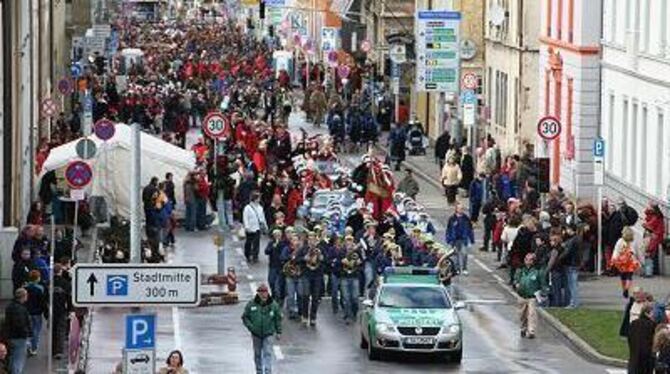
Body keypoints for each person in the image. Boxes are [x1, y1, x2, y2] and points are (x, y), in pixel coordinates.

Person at [242, 284, 282, 374]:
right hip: (256, 334)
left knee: (267, 352)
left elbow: (277, 318)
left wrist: (278, 331)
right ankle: (259, 371)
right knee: (257, 354)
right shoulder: (251, 304)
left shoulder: (273, 305)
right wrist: (251, 327)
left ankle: (268, 371)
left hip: (268, 333)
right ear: (258, 293)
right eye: (262, 292)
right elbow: (245, 317)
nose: (264, 294)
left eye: (265, 292)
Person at [514, 253, 546, 339]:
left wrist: (543, 293)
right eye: (526, 259)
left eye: (530, 260)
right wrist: (516, 284)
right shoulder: (521, 270)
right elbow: (516, 278)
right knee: (522, 314)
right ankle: (523, 328)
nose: (528, 261)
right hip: (522, 295)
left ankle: (531, 330)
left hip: (532, 296)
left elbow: (543, 283)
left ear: (533, 261)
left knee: (531, 313)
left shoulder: (537, 271)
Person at [5, 288, 31, 374]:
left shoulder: (10, 306)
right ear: (23, 296)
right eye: (26, 295)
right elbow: (20, 324)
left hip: (11, 336)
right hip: (19, 337)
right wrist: (26, 334)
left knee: (13, 358)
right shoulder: (20, 309)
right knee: (18, 360)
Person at [612, 227, 642, 299]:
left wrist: (614, 258)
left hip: (622, 261)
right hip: (631, 260)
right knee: (629, 276)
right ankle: (627, 288)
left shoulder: (620, 241)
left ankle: (624, 289)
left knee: (623, 276)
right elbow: (638, 251)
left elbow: (616, 250)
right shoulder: (634, 241)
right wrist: (640, 260)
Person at [445, 204, 475, 275]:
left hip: (463, 239)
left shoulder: (466, 218)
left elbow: (470, 229)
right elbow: (448, 229)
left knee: (464, 254)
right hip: (454, 240)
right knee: (455, 255)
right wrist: (448, 239)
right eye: (459, 208)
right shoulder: (452, 218)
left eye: (462, 208)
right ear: (456, 209)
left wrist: (471, 239)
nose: (461, 210)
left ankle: (464, 268)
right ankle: (457, 269)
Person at [627, 304, 657, 374]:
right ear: (647, 313)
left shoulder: (633, 323)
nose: (654, 315)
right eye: (653, 312)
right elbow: (653, 340)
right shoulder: (652, 325)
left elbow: (629, 338)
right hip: (647, 356)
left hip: (634, 354)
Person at [24, 270, 47, 356]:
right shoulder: (40, 289)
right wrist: (46, 313)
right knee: (36, 330)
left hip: (27, 312)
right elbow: (42, 302)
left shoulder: (25, 288)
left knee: (28, 329)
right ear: (37, 278)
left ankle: (28, 344)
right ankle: (34, 348)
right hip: (37, 312)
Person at [243, 192, 268, 263]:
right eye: (258, 198)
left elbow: (262, 217)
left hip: (257, 228)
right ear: (255, 199)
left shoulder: (260, 207)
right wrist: (247, 227)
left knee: (256, 243)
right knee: (249, 242)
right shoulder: (247, 208)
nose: (259, 199)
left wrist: (265, 226)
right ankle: (247, 255)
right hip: (250, 228)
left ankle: (255, 256)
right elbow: (245, 218)